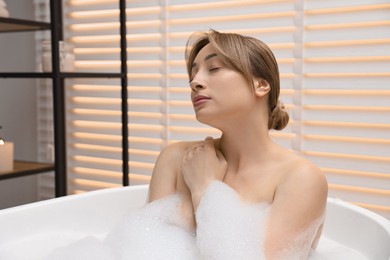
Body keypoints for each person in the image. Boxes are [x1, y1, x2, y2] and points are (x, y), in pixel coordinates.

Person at [148, 29, 328, 259]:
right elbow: (146, 248)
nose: (195, 82)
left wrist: (205, 190)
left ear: (260, 85)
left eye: (213, 69)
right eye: (192, 75)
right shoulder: (175, 159)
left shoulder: (300, 178)